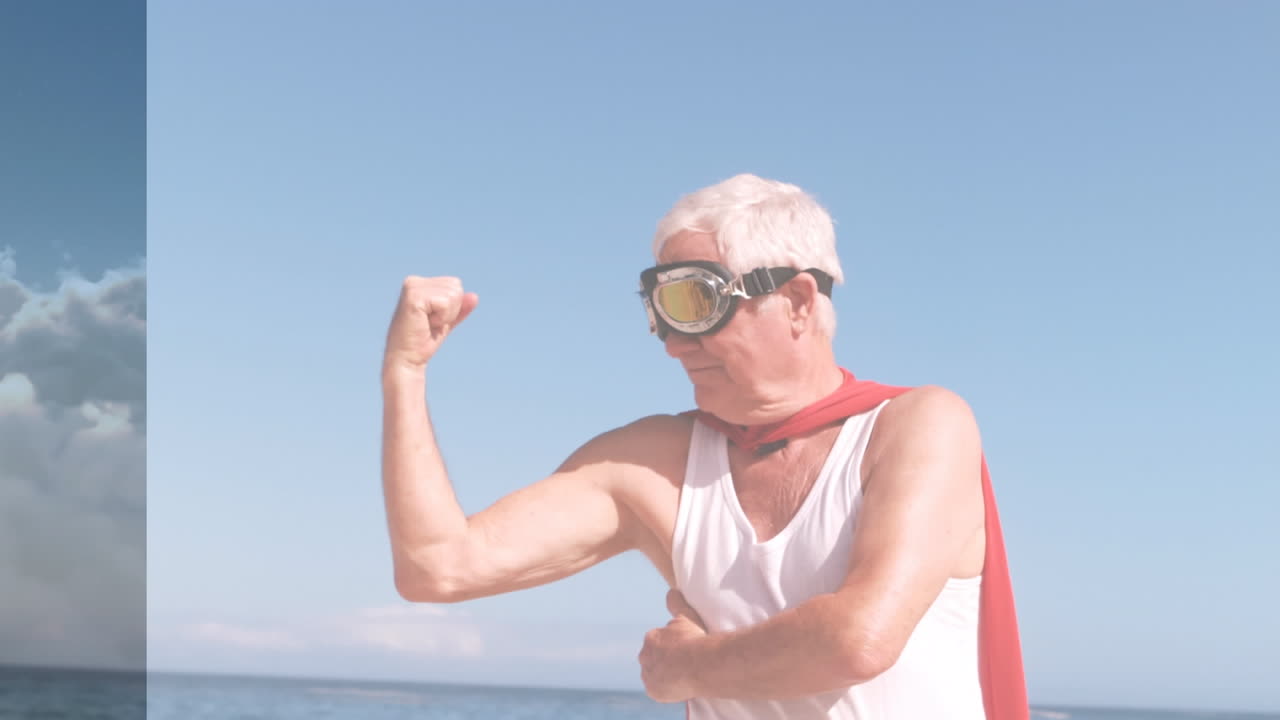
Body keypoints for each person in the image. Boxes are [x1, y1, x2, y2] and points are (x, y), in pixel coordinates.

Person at [380, 174, 1028, 720]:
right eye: (661, 310)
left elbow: (858, 639)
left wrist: (685, 668)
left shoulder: (916, 426)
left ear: (797, 301)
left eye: (696, 302)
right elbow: (438, 567)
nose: (672, 342)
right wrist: (405, 375)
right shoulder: (655, 462)